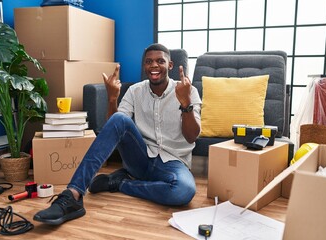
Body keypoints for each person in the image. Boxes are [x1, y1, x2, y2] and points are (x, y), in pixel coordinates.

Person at [33, 43, 202, 225]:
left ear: (170, 65)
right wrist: (112, 99)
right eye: (148, 61)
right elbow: (114, 127)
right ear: (144, 66)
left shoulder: (188, 90)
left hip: (173, 163)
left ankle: (120, 183)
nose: (154, 65)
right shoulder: (135, 91)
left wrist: (185, 104)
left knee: (183, 191)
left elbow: (191, 136)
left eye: (160, 61)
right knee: (120, 118)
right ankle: (72, 194)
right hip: (140, 158)